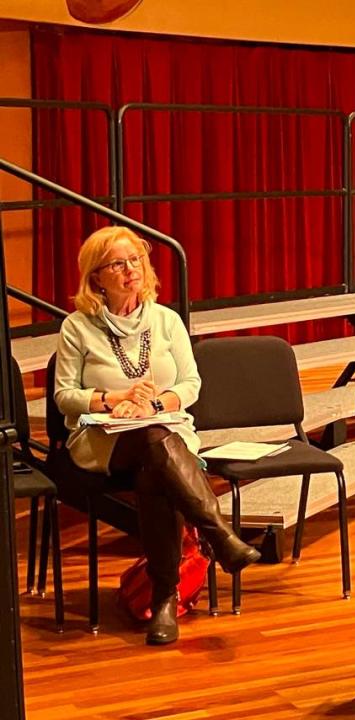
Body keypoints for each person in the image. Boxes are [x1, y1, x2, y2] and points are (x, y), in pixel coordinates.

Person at [54, 225, 260, 645]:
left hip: (161, 430)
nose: (131, 269)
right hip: (103, 440)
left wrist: (153, 405)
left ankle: (164, 601)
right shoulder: (77, 326)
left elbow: (190, 384)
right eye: (118, 263)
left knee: (155, 461)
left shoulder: (166, 320)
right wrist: (113, 399)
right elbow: (63, 396)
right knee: (156, 444)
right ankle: (219, 535)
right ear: (97, 277)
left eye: (137, 260)